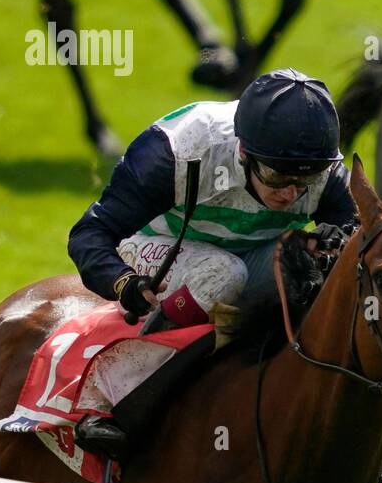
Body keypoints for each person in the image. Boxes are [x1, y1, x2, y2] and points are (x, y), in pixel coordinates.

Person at [67, 68, 356, 457]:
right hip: (156, 245)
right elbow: (89, 234)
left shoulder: (323, 169)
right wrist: (123, 282)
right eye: (275, 176)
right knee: (221, 273)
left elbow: (353, 237)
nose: (290, 193)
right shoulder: (177, 150)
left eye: (307, 180)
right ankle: (107, 399)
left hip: (250, 253)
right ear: (242, 152)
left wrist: (331, 242)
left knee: (313, 269)